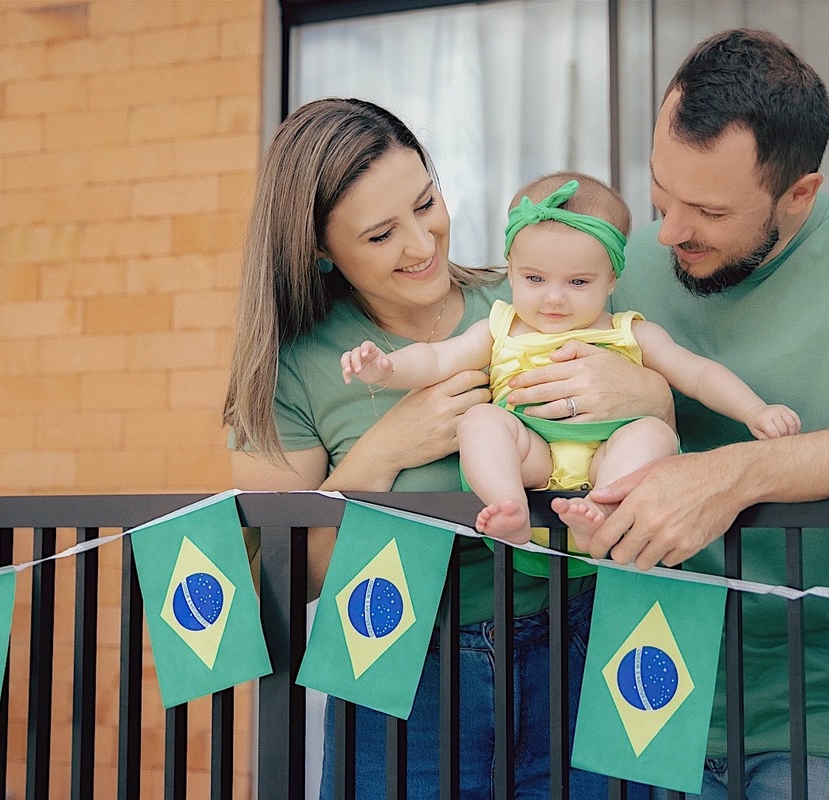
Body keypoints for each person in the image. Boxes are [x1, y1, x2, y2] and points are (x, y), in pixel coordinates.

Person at [501, 29, 829, 800]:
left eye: (705, 210)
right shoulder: (610, 261)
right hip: (641, 679)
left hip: (823, 700)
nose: (666, 234)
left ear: (799, 193)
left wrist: (735, 472)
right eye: (661, 193)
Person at [222, 98, 664, 799]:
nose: (423, 244)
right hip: (400, 664)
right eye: (379, 235)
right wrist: (383, 451)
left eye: (426, 203)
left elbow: (655, 412)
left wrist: (651, 399)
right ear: (318, 249)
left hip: (583, 639)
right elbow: (266, 585)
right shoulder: (293, 371)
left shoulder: (531, 300)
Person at [342, 171, 800, 554]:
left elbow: (698, 374)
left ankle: (603, 513)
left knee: (652, 433)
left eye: (578, 281)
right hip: (532, 457)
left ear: (611, 279)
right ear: (511, 268)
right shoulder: (501, 326)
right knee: (481, 421)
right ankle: (508, 507)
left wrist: (755, 410)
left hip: (608, 459)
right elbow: (437, 359)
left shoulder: (628, 332)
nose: (554, 298)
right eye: (534, 278)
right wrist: (386, 369)